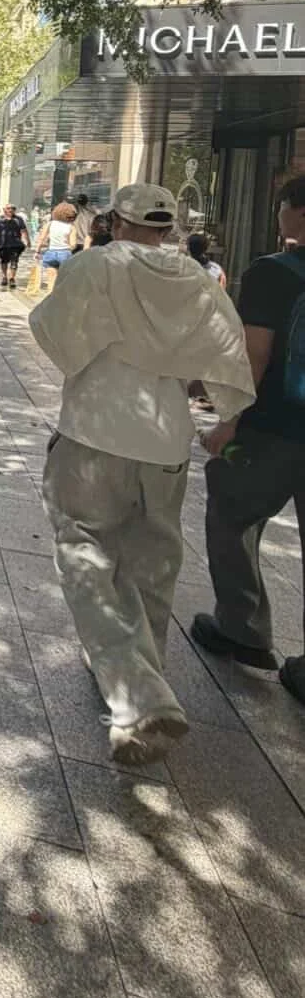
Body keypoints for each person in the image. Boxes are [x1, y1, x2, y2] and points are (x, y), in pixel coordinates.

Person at [29, 183, 255, 765]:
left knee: (84, 554)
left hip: (93, 432)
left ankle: (139, 695)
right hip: (165, 441)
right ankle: (142, 691)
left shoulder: (97, 265)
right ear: (168, 227)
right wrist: (224, 414)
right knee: (152, 567)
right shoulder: (197, 280)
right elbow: (229, 358)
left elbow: (51, 331)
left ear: (117, 222)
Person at [191, 175, 305, 705]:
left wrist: (228, 422)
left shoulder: (273, 273)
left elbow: (254, 357)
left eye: (281, 206)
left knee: (232, 513)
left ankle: (243, 628)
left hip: (273, 430)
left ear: (298, 213)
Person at [34, 200, 77, 289]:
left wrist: (37, 251)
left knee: (51, 281)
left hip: (51, 252)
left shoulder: (50, 224)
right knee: (64, 281)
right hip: (65, 253)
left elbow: (41, 238)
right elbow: (73, 245)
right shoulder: (71, 227)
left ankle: (51, 294)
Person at [0, 203, 29, 289]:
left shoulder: (19, 219)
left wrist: (27, 241)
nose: (10, 210)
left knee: (14, 262)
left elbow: (23, 230)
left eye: (13, 208)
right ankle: (4, 277)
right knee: (4, 261)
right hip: (2, 245)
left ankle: (12, 278)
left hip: (15, 244)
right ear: (4, 210)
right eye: (8, 208)